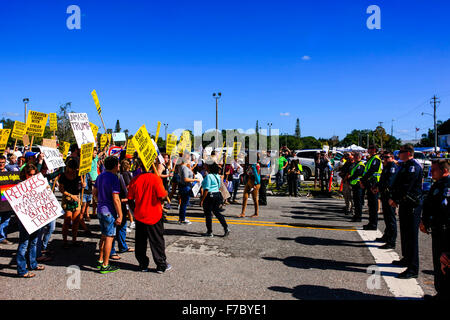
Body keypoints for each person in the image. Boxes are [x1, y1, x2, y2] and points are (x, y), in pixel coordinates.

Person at [127, 158, 171, 273]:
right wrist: (166, 193)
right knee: (157, 241)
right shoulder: (155, 179)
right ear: (152, 166)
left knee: (140, 241)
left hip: (140, 215)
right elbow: (162, 196)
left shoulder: (135, 180)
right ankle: (161, 264)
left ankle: (142, 264)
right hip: (154, 215)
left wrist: (134, 210)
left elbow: (130, 199)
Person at [389, 144, 423, 279]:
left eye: (402, 152)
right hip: (405, 203)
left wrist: (395, 199)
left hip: (412, 204)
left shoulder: (413, 166)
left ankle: (413, 268)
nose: (399, 154)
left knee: (411, 236)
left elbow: (406, 186)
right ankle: (407, 258)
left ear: (409, 153)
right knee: (405, 232)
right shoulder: (405, 165)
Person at [420, 159, 450, 299]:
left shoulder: (447, 185)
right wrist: (425, 221)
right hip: (437, 229)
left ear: (444, 171)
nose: (431, 172)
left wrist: (429, 220)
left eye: (434, 170)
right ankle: (440, 292)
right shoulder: (438, 184)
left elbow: (443, 208)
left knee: (444, 262)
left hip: (444, 231)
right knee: (438, 263)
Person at [93, 156, 123, 274]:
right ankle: (105, 265)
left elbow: (94, 192)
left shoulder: (100, 176)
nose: (119, 166)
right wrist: (120, 215)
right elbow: (116, 199)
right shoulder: (114, 178)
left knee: (104, 236)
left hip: (100, 209)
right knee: (110, 237)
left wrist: (99, 201)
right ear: (115, 165)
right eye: (118, 164)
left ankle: (100, 260)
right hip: (109, 211)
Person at [16, 163, 45, 278]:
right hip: (25, 220)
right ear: (25, 174)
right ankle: (22, 270)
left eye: (34, 175)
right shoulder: (19, 186)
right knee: (24, 244)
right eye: (29, 174)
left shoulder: (38, 185)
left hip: (36, 218)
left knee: (33, 242)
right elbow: (7, 199)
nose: (32, 177)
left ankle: (33, 264)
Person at [110, 159, 135, 260]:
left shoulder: (102, 176)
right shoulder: (118, 176)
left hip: (112, 205)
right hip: (117, 204)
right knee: (114, 229)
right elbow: (124, 191)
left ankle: (122, 246)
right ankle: (111, 251)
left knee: (120, 226)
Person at [374, 151, 398, 249]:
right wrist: (377, 186)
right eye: (384, 157)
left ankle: (391, 240)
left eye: (387, 157)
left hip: (389, 194)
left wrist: (380, 187)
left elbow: (389, 181)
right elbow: (382, 180)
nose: (385, 159)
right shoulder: (387, 167)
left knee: (391, 218)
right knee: (387, 217)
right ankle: (387, 236)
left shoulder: (392, 167)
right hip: (384, 194)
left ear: (392, 157)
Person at [59, 158, 85, 249]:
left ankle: (74, 240)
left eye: (75, 169)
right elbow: (61, 189)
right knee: (67, 220)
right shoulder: (63, 176)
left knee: (76, 221)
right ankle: (65, 241)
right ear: (68, 167)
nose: (74, 170)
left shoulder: (79, 174)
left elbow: (81, 184)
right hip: (67, 199)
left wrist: (83, 185)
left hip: (77, 198)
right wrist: (70, 195)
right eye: (72, 168)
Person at [199, 163, 230, 237]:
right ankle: (226, 227)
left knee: (208, 214)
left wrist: (202, 200)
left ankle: (209, 232)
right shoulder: (217, 176)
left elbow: (206, 189)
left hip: (210, 195)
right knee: (217, 212)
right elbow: (219, 186)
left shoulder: (208, 176)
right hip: (217, 195)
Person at [360, 145, 383, 231]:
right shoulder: (371, 159)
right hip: (369, 183)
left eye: (369, 148)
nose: (368, 150)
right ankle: (371, 223)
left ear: (373, 150)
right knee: (371, 205)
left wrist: (363, 179)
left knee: (373, 205)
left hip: (374, 184)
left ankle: (373, 224)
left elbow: (371, 171)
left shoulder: (376, 159)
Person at [177, 156, 200, 225]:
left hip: (183, 186)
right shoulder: (184, 168)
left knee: (183, 203)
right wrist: (195, 180)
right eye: (189, 159)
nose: (190, 161)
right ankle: (182, 219)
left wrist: (190, 169)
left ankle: (181, 218)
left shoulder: (182, 167)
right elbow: (186, 179)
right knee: (184, 203)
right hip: (185, 186)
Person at [348, 152, 365, 222]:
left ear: (358, 157)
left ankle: (359, 216)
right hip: (355, 185)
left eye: (355, 156)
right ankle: (356, 215)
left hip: (358, 185)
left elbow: (357, 174)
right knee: (356, 201)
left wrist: (349, 179)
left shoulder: (360, 165)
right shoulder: (356, 164)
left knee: (358, 202)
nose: (354, 158)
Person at [0, 156, 13, 245]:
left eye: (3, 162)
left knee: (5, 221)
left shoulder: (9, 173)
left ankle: (2, 237)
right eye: (0, 163)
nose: (1, 164)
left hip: (6, 202)